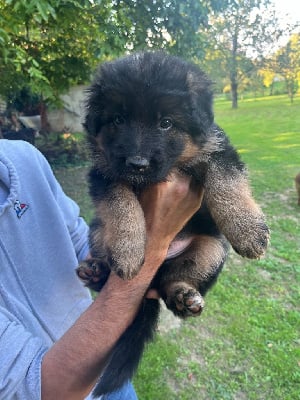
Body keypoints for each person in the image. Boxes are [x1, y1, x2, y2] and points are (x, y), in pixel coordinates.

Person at [0, 139, 203, 400]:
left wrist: (152, 251)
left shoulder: (22, 158)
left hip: (106, 367)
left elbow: (76, 237)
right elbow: (43, 389)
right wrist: (151, 248)